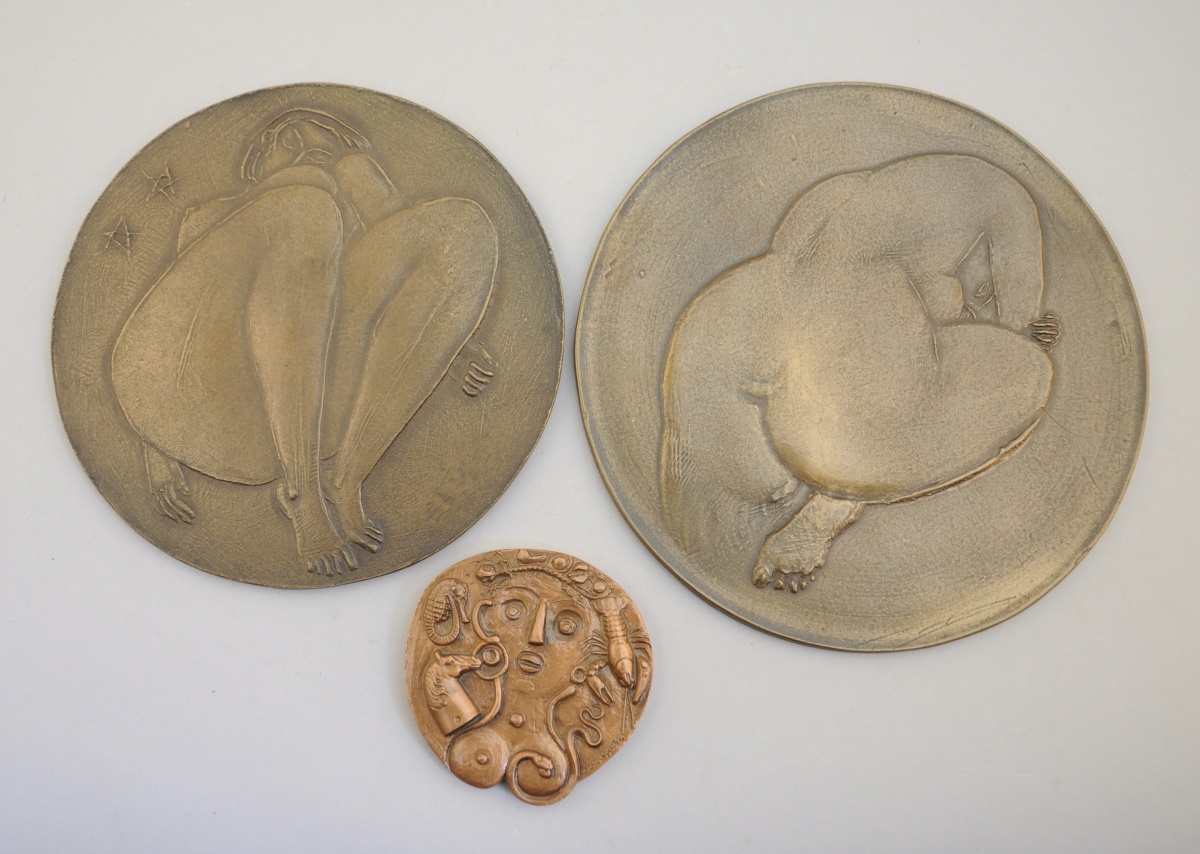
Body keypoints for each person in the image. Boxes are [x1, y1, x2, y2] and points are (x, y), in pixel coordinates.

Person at [111, 109, 498, 576]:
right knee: (304, 208)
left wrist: (454, 336)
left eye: (327, 143)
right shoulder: (214, 216)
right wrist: (157, 452)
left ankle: (345, 477)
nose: (308, 147)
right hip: (200, 404)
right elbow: (173, 330)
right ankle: (303, 492)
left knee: (463, 226)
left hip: (314, 410)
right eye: (287, 137)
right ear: (258, 162)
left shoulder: (336, 212)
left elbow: (411, 241)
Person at [660, 154, 1059, 590]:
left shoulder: (839, 199)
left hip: (770, 325)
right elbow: (1021, 321)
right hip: (835, 367)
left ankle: (805, 498)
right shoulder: (1003, 201)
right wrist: (1026, 329)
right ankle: (823, 511)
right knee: (1026, 371)